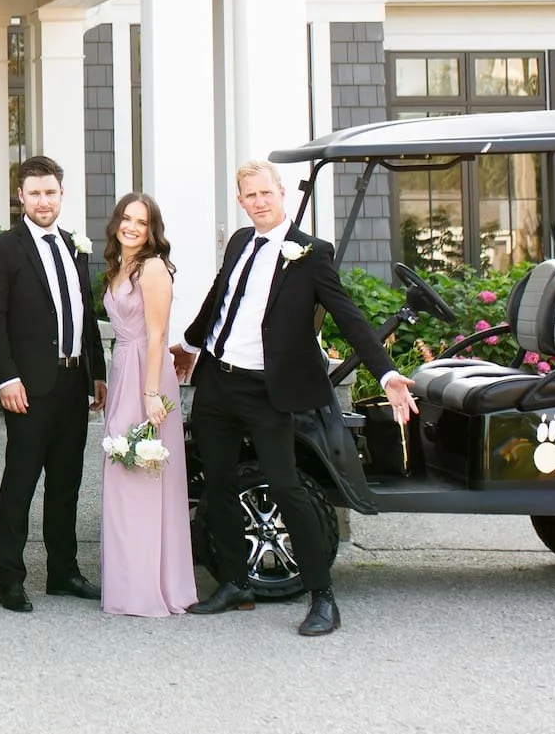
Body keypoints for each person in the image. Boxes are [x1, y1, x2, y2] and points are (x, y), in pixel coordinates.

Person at [173, 160, 417, 637]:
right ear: (240, 201)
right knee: (217, 485)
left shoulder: (311, 253)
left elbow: (347, 316)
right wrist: (188, 344)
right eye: (250, 196)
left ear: (281, 193)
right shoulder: (241, 242)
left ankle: (323, 596)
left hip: (269, 390)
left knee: (287, 487)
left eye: (266, 193)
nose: (259, 202)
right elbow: (220, 299)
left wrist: (385, 372)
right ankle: (236, 583)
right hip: (218, 382)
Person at [0, 154, 106, 611]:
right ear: (20, 197)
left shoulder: (74, 245)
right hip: (28, 386)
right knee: (20, 482)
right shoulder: (0, 248)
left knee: (67, 482)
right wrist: (7, 377)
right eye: (34, 193)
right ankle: (11, 579)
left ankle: (63, 571)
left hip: (74, 383)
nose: (43, 200)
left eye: (50, 192)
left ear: (61, 194)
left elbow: (85, 312)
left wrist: (97, 373)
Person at [95, 192, 194, 619]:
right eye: (126, 219)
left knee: (146, 471)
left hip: (147, 374)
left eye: (141, 221)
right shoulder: (118, 268)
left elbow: (156, 336)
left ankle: (154, 585)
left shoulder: (153, 268)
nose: (132, 227)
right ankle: (128, 582)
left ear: (152, 229)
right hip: (123, 369)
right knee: (122, 470)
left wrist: (151, 394)